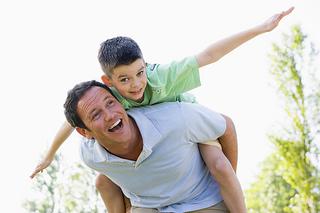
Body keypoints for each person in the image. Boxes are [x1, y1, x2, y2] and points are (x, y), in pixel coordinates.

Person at [30, 6, 294, 212]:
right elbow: (73, 121)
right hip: (149, 148)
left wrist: (260, 28)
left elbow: (209, 55)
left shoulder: (162, 77)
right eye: (124, 79)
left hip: (185, 129)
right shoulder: (107, 100)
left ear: (146, 64)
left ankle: (227, 197)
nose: (136, 85)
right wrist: (49, 155)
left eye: (140, 73)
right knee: (103, 181)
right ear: (108, 81)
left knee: (219, 166)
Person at [64, 80, 237, 212]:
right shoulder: (90, 155)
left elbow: (227, 127)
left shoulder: (177, 118)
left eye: (110, 103)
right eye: (96, 115)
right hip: (149, 206)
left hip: (201, 200)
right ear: (85, 133)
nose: (109, 115)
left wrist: (230, 180)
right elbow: (108, 180)